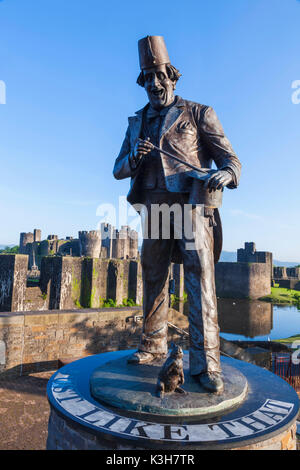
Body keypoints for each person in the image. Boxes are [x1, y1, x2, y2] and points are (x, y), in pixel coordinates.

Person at [113, 36, 241, 392]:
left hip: (191, 204)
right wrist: (134, 157)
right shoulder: (135, 122)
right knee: (153, 274)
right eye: (147, 78)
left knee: (200, 278)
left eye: (159, 76)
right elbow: (118, 169)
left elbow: (231, 160)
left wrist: (227, 174)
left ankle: (207, 362)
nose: (154, 84)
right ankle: (153, 344)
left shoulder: (199, 113)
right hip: (154, 207)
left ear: (172, 76)